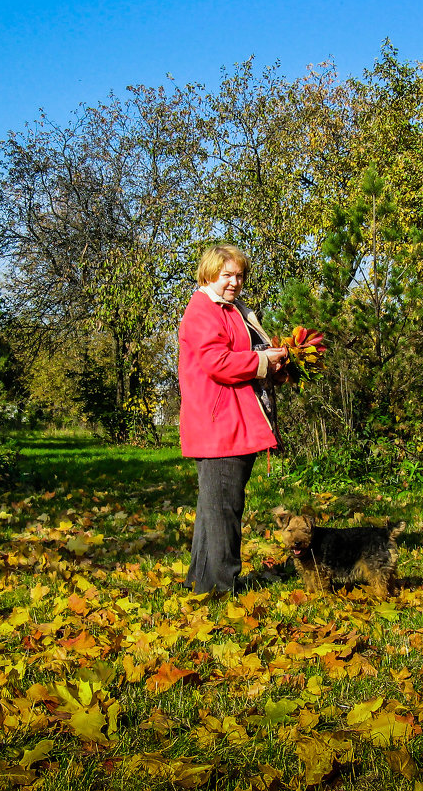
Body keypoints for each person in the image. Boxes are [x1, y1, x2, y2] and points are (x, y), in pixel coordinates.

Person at [178, 243, 288, 595]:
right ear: (209, 274)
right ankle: (221, 589)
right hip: (219, 425)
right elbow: (218, 363)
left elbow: (244, 353)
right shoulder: (202, 311)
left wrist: (276, 362)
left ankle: (202, 583)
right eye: (227, 275)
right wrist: (262, 362)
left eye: (239, 276)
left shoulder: (232, 309)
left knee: (215, 511)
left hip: (233, 421)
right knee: (225, 511)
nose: (234, 282)